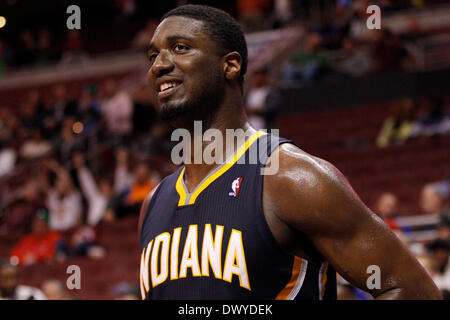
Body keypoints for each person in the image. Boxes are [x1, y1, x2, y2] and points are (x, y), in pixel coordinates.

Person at [138, 4, 441, 300]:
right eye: (153, 55)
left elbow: (412, 290)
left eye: (179, 48)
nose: (159, 64)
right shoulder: (153, 202)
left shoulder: (290, 177)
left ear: (230, 65)